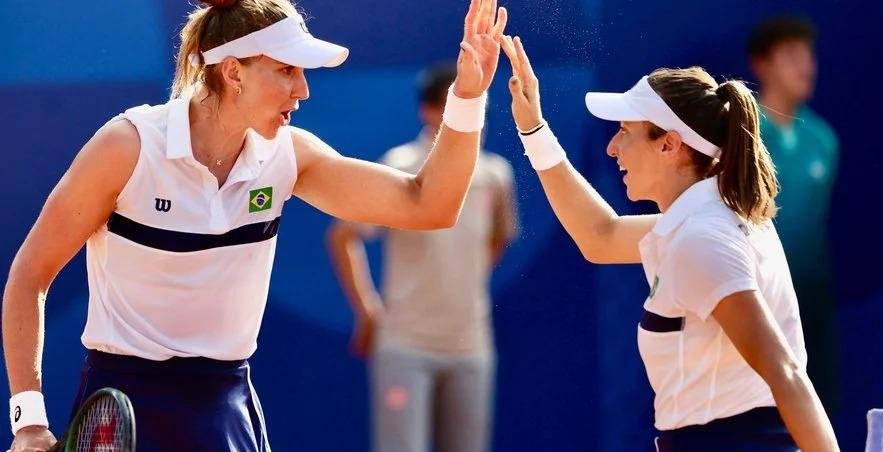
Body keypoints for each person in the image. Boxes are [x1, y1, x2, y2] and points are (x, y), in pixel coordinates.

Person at [2, 0, 508, 450]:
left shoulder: (289, 156)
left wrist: (467, 97)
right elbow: (30, 275)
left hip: (223, 404)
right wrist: (28, 421)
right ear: (232, 71)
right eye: (286, 70)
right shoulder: (127, 146)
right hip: (124, 398)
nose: (303, 90)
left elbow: (430, 207)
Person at [495, 33, 838, 451]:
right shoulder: (701, 222)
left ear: (670, 145)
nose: (612, 146)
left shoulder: (702, 238)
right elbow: (599, 237)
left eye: (625, 131)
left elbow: (784, 370)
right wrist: (533, 129)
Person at [326, 63, 518, 452]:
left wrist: (461, 285)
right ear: (429, 112)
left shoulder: (496, 175)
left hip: (471, 345)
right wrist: (368, 311)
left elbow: (498, 238)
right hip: (405, 344)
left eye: (478, 106)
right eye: (460, 105)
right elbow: (344, 235)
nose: (474, 118)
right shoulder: (399, 167)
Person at [748, 16, 839, 415]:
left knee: (817, 410)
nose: (806, 65)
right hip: (752, 296)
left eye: (808, 54)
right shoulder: (741, 133)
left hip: (811, 300)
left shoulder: (824, 140)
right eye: (791, 54)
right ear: (761, 64)